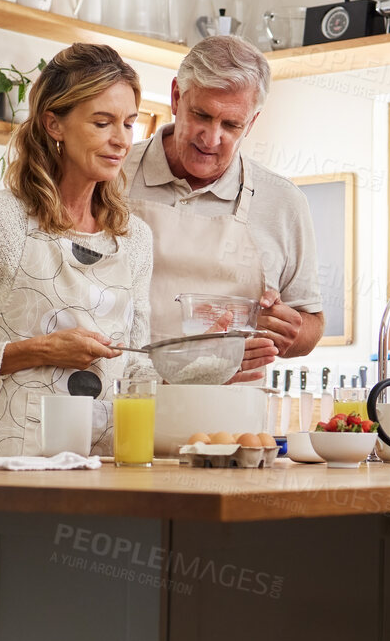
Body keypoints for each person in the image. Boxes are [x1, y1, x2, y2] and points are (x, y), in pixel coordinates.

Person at [0, 43, 155, 456]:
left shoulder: (133, 237)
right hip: (15, 466)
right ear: (53, 124)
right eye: (102, 123)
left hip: (111, 469)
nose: (121, 141)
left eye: (129, 124)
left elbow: (137, 365)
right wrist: (41, 350)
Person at [125, 34, 323, 382]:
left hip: (230, 423)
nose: (212, 138)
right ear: (176, 96)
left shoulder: (283, 202)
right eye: (201, 115)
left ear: (251, 122)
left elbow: (311, 326)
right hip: (123, 410)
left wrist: (289, 330)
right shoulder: (112, 176)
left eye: (231, 125)